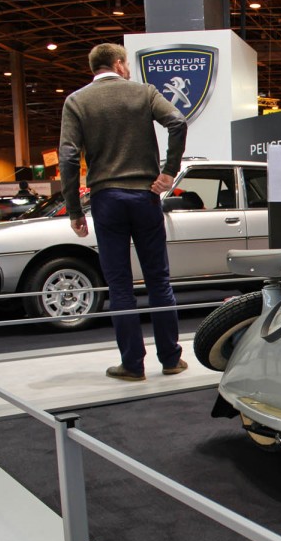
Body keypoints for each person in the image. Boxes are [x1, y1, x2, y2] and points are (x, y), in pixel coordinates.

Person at [59, 43, 188, 382]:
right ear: (117, 64)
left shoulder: (76, 101)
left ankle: (132, 365)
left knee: (119, 286)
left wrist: (74, 209)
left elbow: (69, 157)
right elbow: (177, 122)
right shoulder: (143, 92)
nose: (128, 69)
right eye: (127, 64)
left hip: (106, 199)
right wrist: (168, 171)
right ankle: (171, 359)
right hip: (145, 196)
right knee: (159, 279)